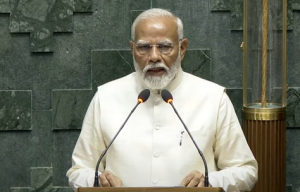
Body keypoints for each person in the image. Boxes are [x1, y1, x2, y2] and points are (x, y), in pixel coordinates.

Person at [67, 8, 258, 192]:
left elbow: (246, 171)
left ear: (182, 48)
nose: (154, 56)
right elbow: (78, 172)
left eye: (165, 47)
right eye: (144, 47)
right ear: (132, 49)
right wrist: (97, 181)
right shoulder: (106, 97)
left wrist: (209, 181)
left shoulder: (213, 98)